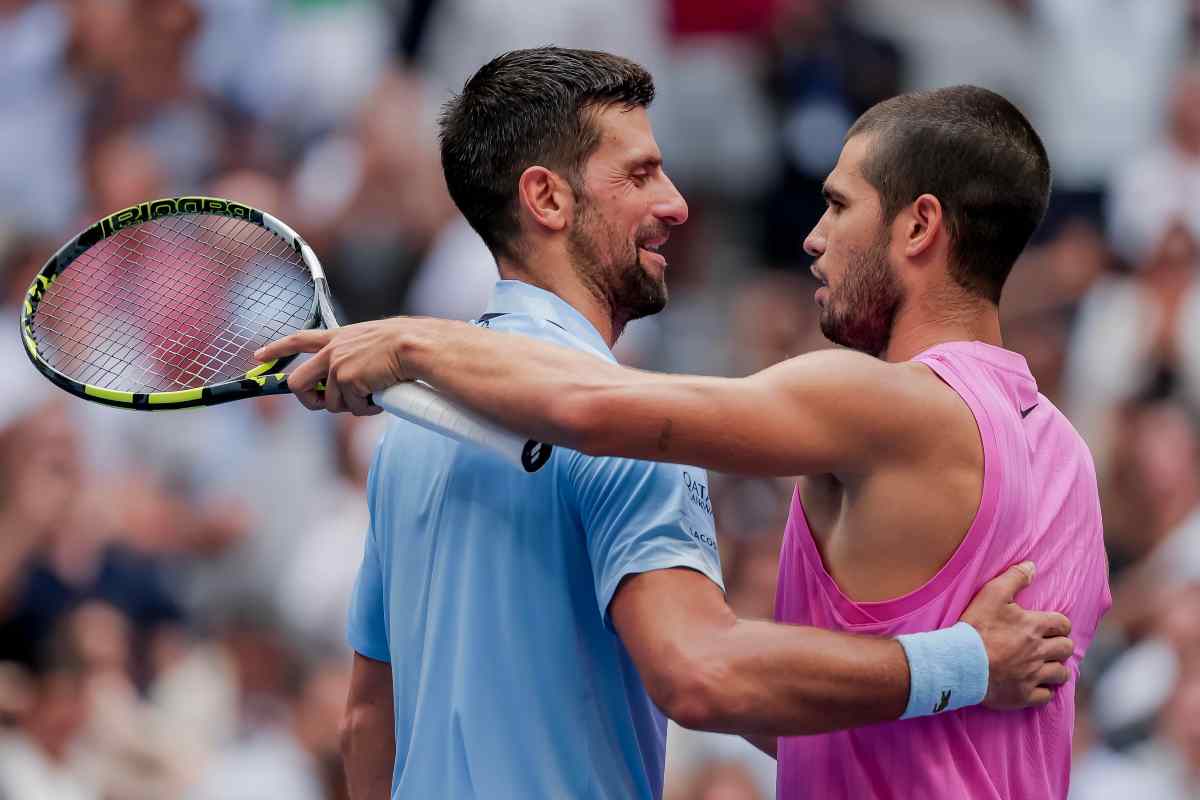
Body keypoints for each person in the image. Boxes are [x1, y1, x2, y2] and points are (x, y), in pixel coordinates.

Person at [260, 52, 1077, 799]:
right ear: (547, 198)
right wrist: (962, 662)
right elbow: (703, 674)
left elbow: (367, 722)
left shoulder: (409, 431)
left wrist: (414, 343)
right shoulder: (629, 430)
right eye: (641, 173)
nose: (677, 204)